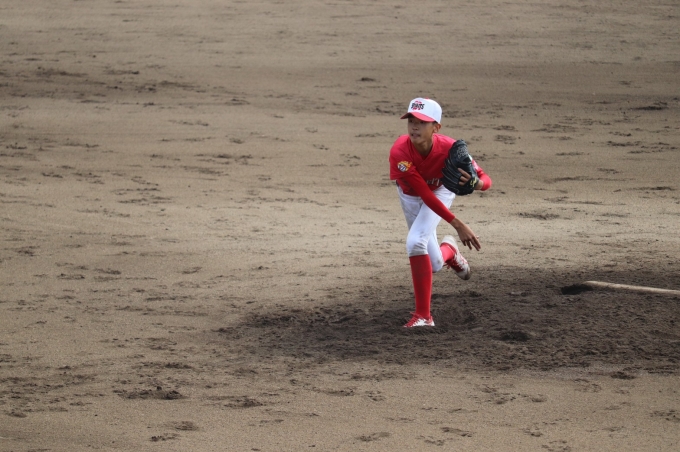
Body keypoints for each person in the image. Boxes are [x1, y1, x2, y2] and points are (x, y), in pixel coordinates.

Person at [389, 98, 493, 328]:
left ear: (436, 127)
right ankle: (450, 252)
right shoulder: (399, 151)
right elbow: (424, 194)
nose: (414, 127)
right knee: (433, 264)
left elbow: (486, 179)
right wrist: (458, 225)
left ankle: (423, 317)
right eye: (411, 121)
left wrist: (477, 184)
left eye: (422, 122)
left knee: (415, 242)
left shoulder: (451, 149)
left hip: (441, 191)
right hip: (411, 196)